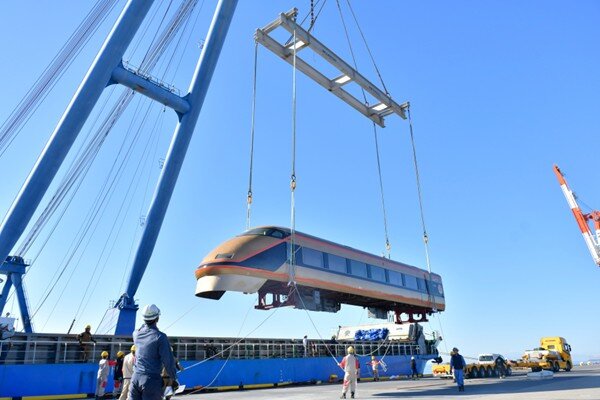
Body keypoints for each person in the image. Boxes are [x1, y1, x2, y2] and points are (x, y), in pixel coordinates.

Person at [131, 304, 179, 400]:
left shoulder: (136, 334)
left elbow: (142, 328)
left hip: (135, 378)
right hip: (151, 381)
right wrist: (174, 379)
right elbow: (168, 361)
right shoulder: (160, 337)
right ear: (157, 318)